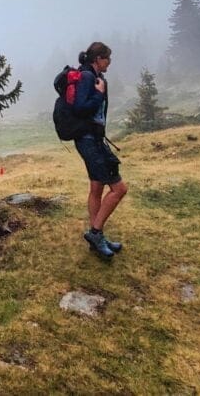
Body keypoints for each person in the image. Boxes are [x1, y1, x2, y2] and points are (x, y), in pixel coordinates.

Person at [71, 41, 127, 260]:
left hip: (92, 138)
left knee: (96, 186)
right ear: (98, 59)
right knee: (119, 189)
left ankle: (98, 237)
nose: (109, 63)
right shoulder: (86, 77)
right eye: (107, 59)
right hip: (88, 140)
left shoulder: (93, 77)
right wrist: (98, 94)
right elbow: (79, 108)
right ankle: (95, 233)